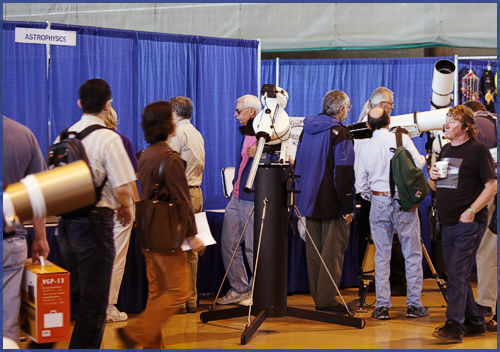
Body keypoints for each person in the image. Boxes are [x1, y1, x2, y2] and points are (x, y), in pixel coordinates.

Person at [55, 79, 136, 349]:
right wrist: (125, 207)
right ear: (107, 104)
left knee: (73, 294)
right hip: (95, 224)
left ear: (80, 103)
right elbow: (123, 185)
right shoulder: (108, 138)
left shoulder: (64, 136)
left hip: (66, 225)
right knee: (95, 300)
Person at [117, 100, 204, 349]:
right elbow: (181, 200)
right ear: (169, 124)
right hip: (167, 235)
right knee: (178, 291)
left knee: (157, 293)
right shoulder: (170, 159)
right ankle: (136, 333)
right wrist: (192, 235)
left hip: (148, 232)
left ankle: (153, 346)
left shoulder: (144, 156)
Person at [355, 107, 429, 320]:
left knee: (381, 255)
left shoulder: (365, 146)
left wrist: (375, 196)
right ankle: (414, 305)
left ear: (368, 125)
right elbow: (418, 163)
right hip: (403, 201)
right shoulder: (401, 138)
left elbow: (361, 184)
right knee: (412, 254)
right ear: (389, 120)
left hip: (378, 201)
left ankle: (382, 307)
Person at [430, 105, 496, 343]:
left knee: (457, 272)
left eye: (453, 121)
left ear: (467, 127)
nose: (446, 124)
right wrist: (432, 177)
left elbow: (491, 185)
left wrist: (471, 211)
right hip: (448, 223)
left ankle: (454, 326)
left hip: (469, 223)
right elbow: (438, 186)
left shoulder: (477, 150)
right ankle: (476, 323)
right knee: (457, 273)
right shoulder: (446, 148)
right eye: (446, 120)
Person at [294, 90, 355, 313]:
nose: (348, 111)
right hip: (331, 202)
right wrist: (348, 206)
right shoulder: (341, 133)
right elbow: (344, 172)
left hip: (307, 200)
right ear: (341, 109)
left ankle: (320, 298)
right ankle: (327, 301)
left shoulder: (306, 131)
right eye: (348, 107)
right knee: (332, 254)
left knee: (314, 254)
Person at [3, 116, 50, 347]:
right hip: (12, 239)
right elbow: (37, 194)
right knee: (8, 318)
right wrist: (40, 237)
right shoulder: (23, 134)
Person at [356, 87, 407, 297]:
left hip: (373, 194)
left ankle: (383, 283)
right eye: (391, 103)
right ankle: (387, 282)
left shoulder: (361, 129)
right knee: (382, 241)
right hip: (380, 194)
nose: (393, 107)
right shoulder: (377, 133)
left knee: (380, 241)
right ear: (382, 106)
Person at [216, 94, 261, 305]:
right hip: (236, 196)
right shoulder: (247, 132)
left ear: (252, 111)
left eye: (239, 111)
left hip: (251, 198)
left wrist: (262, 151)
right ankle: (240, 288)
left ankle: (258, 290)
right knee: (229, 243)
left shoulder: (266, 134)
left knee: (252, 247)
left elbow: (280, 161)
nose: (235, 115)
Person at [169, 96, 206, 314]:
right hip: (196, 192)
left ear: (173, 112)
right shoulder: (196, 133)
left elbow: (170, 166)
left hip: (181, 193)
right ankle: (191, 298)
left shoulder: (177, 134)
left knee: (178, 248)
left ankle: (179, 300)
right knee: (191, 248)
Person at [103, 107, 140, 322]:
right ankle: (109, 307)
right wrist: (138, 205)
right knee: (116, 258)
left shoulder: (84, 139)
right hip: (121, 205)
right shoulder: (121, 140)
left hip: (94, 207)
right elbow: (130, 178)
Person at [462, 100, 497, 319]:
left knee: (486, 250)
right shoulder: (495, 121)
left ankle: (486, 303)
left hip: (489, 191)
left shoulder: (475, 127)